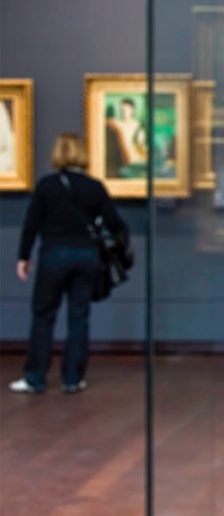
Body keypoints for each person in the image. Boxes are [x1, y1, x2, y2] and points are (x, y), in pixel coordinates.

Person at [9, 133, 128, 394]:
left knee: (43, 315)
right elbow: (116, 224)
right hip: (86, 256)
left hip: (54, 254)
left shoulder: (47, 185)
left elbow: (32, 224)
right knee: (79, 316)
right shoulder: (94, 187)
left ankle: (36, 377)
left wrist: (23, 256)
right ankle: (73, 378)